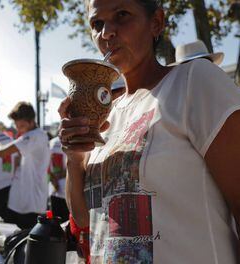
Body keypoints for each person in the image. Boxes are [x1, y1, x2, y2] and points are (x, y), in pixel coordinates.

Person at [58, 0, 240, 263]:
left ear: (156, 23)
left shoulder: (193, 81)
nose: (106, 32)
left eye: (121, 15)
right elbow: (86, 220)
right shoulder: (105, 115)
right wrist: (75, 159)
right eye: (97, 24)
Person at [0, 102, 51, 229]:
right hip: (23, 201)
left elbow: (1, 152)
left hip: (30, 204)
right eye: (16, 125)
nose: (19, 129)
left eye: (22, 125)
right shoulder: (34, 135)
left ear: (31, 122)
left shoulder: (34, 136)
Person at [48, 136, 69, 223]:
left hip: (55, 189)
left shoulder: (51, 142)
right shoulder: (71, 140)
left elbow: (45, 165)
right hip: (66, 190)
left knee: (56, 224)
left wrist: (53, 179)